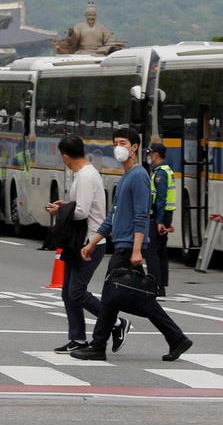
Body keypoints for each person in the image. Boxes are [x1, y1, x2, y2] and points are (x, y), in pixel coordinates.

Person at [72, 127, 193, 362]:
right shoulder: (126, 176)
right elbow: (112, 217)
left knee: (109, 296)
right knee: (138, 298)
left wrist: (137, 249)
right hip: (122, 244)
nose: (119, 146)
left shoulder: (138, 176)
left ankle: (98, 346)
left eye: (123, 142)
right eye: (116, 142)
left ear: (135, 147)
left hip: (129, 247)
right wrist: (93, 242)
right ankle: (177, 338)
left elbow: (141, 216)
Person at [45, 135, 118, 354]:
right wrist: (66, 205)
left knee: (76, 291)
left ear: (65, 156)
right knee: (68, 293)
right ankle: (77, 338)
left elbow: (81, 212)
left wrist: (61, 210)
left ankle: (115, 323)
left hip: (90, 242)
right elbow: (80, 206)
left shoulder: (86, 176)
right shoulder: (84, 173)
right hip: (80, 240)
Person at [146, 142, 175, 297]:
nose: (149, 156)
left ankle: (155, 285)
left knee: (151, 250)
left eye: (150, 153)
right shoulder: (165, 170)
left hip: (160, 215)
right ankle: (161, 284)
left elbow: (161, 198)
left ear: (155, 154)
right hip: (165, 214)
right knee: (161, 250)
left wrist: (158, 221)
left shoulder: (160, 173)